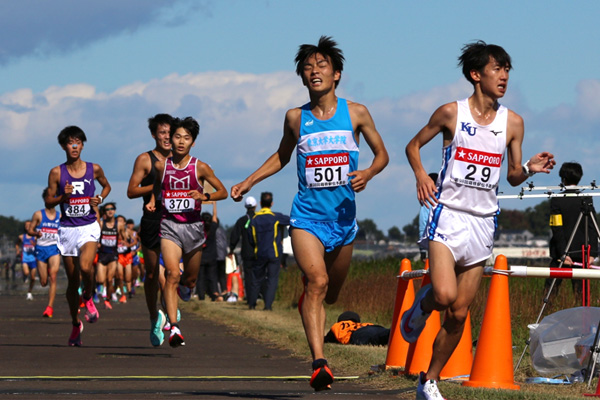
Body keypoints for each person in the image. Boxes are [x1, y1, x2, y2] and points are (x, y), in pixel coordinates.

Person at [231, 36, 388, 391]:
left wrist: (369, 173)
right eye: (307, 67)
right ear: (302, 78)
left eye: (322, 66)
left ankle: (319, 308)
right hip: (306, 218)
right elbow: (281, 156)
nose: (314, 71)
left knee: (331, 293)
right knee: (317, 283)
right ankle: (319, 362)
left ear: (337, 75)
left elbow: (382, 155)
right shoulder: (295, 118)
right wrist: (248, 181)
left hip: (344, 221)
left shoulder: (357, 112)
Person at [404, 40, 555, 399]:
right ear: (476, 74)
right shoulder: (451, 113)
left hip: (483, 222)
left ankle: (429, 381)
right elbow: (412, 146)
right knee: (443, 294)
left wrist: (530, 169)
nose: (503, 76)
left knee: (458, 314)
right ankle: (422, 305)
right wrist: (422, 175)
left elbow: (513, 174)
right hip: (448, 214)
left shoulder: (513, 122)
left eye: (507, 70)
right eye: (496, 69)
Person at [146, 116, 227, 348]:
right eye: (177, 137)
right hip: (169, 225)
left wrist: (205, 196)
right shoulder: (162, 166)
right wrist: (153, 200)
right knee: (171, 274)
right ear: (171, 139)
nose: (181, 142)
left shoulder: (200, 167)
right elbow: (158, 186)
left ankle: (186, 288)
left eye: (187, 138)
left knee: (189, 279)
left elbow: (223, 191)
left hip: (193, 228)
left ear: (193, 142)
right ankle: (174, 327)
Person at [45, 125, 111, 347]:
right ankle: (75, 323)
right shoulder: (56, 172)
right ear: (64, 146)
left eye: (78, 142)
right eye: (70, 143)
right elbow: (48, 202)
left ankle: (89, 297)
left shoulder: (94, 169)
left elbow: (107, 186)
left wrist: (99, 199)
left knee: (85, 268)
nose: (74, 146)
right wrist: (63, 196)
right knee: (72, 282)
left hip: (89, 226)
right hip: (67, 229)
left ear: (82, 145)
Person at [126, 113, 173, 347]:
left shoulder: (182, 159)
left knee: (173, 273)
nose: (166, 137)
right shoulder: (144, 159)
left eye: (170, 132)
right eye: (162, 132)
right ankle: (155, 316)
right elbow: (131, 191)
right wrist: (154, 187)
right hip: (152, 220)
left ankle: (170, 311)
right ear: (154, 135)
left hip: (177, 220)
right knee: (153, 273)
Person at [545, 162, 598, 304]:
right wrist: (593, 252)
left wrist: (563, 253)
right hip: (582, 253)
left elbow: (557, 229)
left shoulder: (557, 200)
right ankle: (583, 322)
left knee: (550, 291)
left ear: (563, 178)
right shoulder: (586, 199)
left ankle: (543, 319)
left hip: (560, 254)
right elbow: (593, 226)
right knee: (582, 296)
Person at [246, 191, 290, 310]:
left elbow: (250, 237)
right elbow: (290, 220)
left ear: (260, 203)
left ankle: (252, 304)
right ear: (272, 203)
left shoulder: (254, 219)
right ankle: (268, 306)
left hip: (259, 252)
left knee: (256, 279)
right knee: (272, 279)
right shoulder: (275, 217)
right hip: (273, 252)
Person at [27, 188, 61, 317]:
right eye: (50, 196)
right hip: (41, 249)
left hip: (54, 249)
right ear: (45, 199)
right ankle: (44, 275)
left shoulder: (60, 216)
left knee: (53, 276)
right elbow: (30, 230)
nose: (52, 199)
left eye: (55, 196)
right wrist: (36, 233)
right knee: (43, 282)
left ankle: (49, 307)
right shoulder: (38, 215)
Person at [229, 196, 257, 299]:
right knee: (259, 274)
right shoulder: (259, 218)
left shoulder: (242, 220)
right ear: (256, 205)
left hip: (246, 252)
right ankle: (258, 294)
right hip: (259, 251)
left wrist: (231, 248)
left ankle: (250, 296)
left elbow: (234, 236)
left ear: (245, 206)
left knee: (248, 275)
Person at [95, 203, 119, 310]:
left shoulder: (119, 225)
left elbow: (123, 236)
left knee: (110, 280)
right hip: (102, 254)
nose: (110, 211)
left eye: (112, 209)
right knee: (100, 279)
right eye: (107, 209)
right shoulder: (101, 224)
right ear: (104, 212)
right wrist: (97, 243)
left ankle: (108, 299)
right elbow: (95, 235)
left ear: (114, 210)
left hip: (113, 255)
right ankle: (95, 291)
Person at [324, 311, 390, 346]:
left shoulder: (339, 325)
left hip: (357, 333)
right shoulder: (360, 324)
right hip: (373, 327)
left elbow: (328, 338)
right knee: (385, 333)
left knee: (376, 338)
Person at [419, 173, 438, 261]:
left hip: (432, 241)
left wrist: (422, 249)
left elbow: (423, 222)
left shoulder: (428, 199)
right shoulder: (447, 197)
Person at [17, 221, 37, 300]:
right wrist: (17, 250)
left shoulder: (35, 237)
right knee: (26, 272)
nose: (28, 226)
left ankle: (29, 292)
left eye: (29, 225)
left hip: (33, 259)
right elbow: (16, 243)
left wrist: (35, 245)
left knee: (33, 278)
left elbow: (39, 246)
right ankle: (25, 276)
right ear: (25, 227)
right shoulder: (22, 237)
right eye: (26, 225)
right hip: (25, 259)